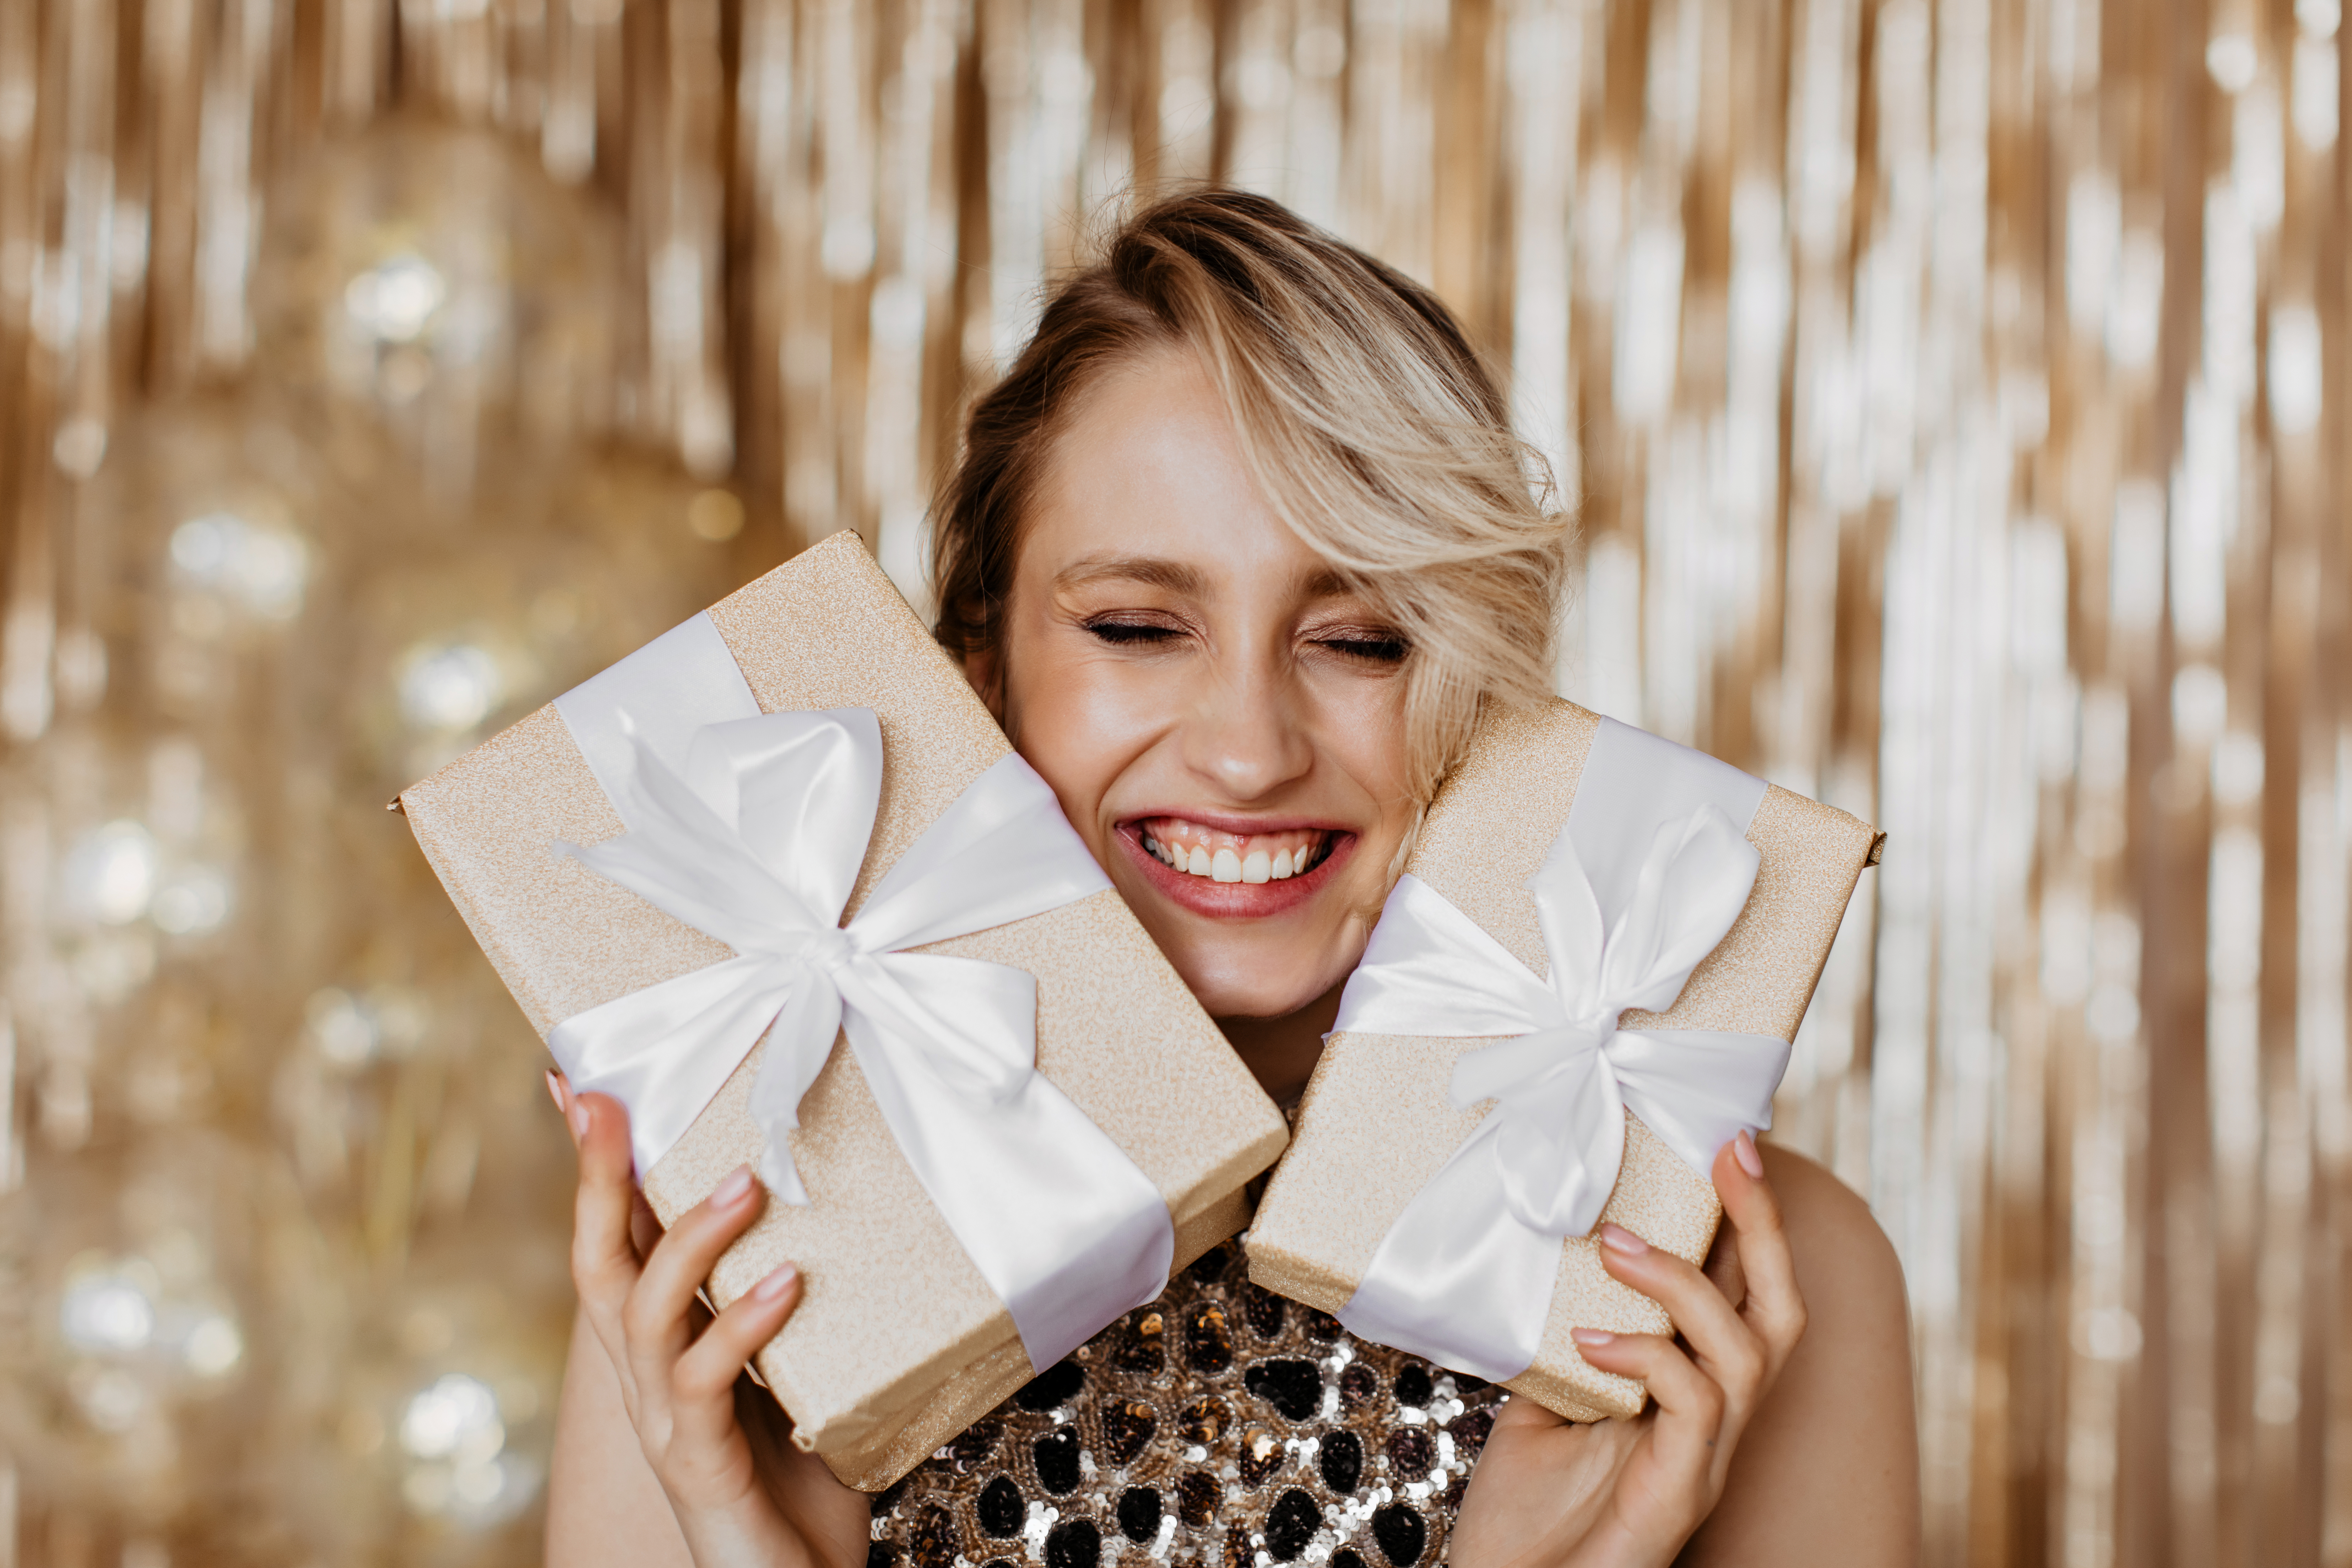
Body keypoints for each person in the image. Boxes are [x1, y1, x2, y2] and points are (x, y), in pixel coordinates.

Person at [544, 190, 1919, 1568]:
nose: (1250, 752)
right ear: (979, 687)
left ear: (1479, 697)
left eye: (1363, 639)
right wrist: (748, 1548)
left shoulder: (1735, 1288)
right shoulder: (757, 1258)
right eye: (1141, 627)